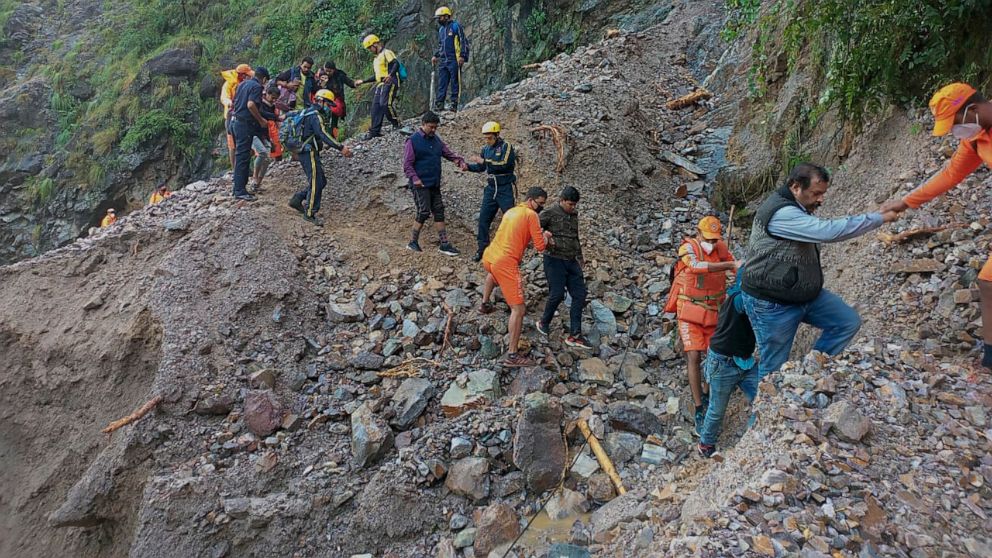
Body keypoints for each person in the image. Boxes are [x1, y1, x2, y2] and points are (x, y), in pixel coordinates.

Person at [741, 163, 899, 378]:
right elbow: (827, 231)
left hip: (804, 293)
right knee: (773, 371)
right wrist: (878, 218)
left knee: (846, 322)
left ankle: (813, 373)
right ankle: (767, 410)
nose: (821, 199)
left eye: (823, 193)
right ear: (795, 187)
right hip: (771, 302)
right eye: (816, 193)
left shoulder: (798, 207)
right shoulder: (782, 214)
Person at [881, 82, 992, 369]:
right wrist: (905, 203)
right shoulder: (976, 140)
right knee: (988, 280)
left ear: (974, 109)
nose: (956, 131)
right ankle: (991, 356)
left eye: (956, 123)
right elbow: (950, 175)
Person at [666, 216, 738, 435]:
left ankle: (708, 392)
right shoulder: (688, 248)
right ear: (698, 233)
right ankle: (698, 405)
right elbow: (696, 267)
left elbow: (737, 270)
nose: (712, 243)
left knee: (713, 355)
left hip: (714, 312)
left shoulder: (722, 249)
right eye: (708, 239)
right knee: (694, 356)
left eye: (715, 240)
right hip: (689, 311)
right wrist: (729, 265)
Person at [480, 187, 553, 367]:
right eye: (540, 203)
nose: (541, 208)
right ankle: (512, 355)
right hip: (506, 262)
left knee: (492, 274)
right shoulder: (531, 215)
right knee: (519, 310)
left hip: (490, 256)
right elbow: (540, 247)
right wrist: (546, 236)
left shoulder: (512, 211)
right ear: (531, 200)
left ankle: (484, 304)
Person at [697, 276, 757, 458]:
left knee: (763, 396)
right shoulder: (739, 298)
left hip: (745, 361)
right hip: (723, 362)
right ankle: (706, 444)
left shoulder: (744, 297)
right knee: (717, 410)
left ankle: (752, 438)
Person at [402, 111, 467, 254]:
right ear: (423, 124)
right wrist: (415, 179)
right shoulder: (412, 141)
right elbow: (407, 164)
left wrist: (458, 160)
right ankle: (412, 242)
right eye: (431, 127)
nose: (433, 130)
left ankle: (444, 244)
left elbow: (447, 153)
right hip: (420, 183)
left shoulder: (436, 140)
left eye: (435, 127)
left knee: (439, 211)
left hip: (434, 182)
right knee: (424, 211)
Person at [537, 186, 593, 350]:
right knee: (557, 294)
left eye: (575, 205)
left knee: (580, 295)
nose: (573, 207)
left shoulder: (574, 214)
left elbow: (575, 236)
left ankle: (575, 335)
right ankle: (543, 322)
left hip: (571, 260)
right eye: (570, 204)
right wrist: (544, 238)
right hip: (554, 259)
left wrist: (580, 257)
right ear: (561, 200)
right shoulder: (549, 213)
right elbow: (532, 228)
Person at [287, 89, 353, 225]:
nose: (328, 108)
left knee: (321, 181)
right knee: (316, 182)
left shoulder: (306, 112)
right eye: (328, 104)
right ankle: (310, 213)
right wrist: (340, 147)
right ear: (320, 101)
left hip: (306, 150)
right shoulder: (315, 115)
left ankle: (298, 199)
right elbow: (323, 134)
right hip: (308, 151)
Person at [467, 121, 517, 261]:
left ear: (497, 135)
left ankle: (512, 251)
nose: (487, 140)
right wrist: (468, 167)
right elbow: (482, 168)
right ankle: (482, 249)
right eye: (486, 138)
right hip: (491, 188)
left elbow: (503, 164)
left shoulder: (506, 147)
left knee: (510, 220)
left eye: (490, 138)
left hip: (504, 187)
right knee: (483, 219)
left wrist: (484, 162)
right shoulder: (485, 149)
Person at [230, 66, 271, 201]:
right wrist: (260, 121)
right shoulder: (256, 87)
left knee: (242, 154)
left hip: (235, 121)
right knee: (243, 156)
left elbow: (236, 103)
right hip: (244, 124)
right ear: (264, 79)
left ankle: (238, 187)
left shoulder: (242, 84)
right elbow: (251, 105)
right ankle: (239, 190)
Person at [359, 34, 402, 140]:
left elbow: (396, 64)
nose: (370, 50)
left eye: (370, 47)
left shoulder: (386, 53)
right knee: (375, 108)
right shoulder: (376, 59)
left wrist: (390, 75)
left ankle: (397, 123)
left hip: (390, 81)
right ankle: (374, 131)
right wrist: (363, 81)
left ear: (375, 44)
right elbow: (377, 76)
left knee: (385, 104)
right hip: (381, 84)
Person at [431, 6, 469, 113]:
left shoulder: (456, 26)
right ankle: (440, 104)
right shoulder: (441, 30)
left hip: (454, 59)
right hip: (443, 60)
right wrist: (436, 55)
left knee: (455, 82)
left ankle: (454, 104)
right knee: (442, 82)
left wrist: (462, 56)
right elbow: (440, 45)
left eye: (440, 17)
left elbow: (463, 41)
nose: (438, 20)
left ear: (446, 16)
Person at [251, 84, 284, 192]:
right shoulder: (259, 104)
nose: (274, 100)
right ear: (267, 94)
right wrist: (276, 117)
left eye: (276, 99)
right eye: (272, 97)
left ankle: (258, 184)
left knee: (267, 158)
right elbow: (262, 113)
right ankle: (255, 177)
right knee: (262, 153)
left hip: (265, 134)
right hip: (254, 132)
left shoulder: (272, 106)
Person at [220, 64, 253, 169]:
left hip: (245, 116)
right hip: (231, 116)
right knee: (232, 144)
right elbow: (224, 97)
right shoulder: (229, 84)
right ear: (242, 75)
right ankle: (235, 169)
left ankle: (244, 166)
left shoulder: (247, 83)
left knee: (246, 142)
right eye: (246, 75)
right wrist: (229, 103)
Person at [316, 61, 358, 139]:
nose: (328, 73)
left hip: (336, 101)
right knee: (322, 120)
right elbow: (316, 87)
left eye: (330, 71)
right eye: (326, 70)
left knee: (334, 121)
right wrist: (322, 83)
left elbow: (349, 82)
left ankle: (334, 138)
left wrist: (355, 84)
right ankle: (322, 139)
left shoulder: (339, 75)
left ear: (334, 70)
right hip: (323, 100)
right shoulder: (321, 74)